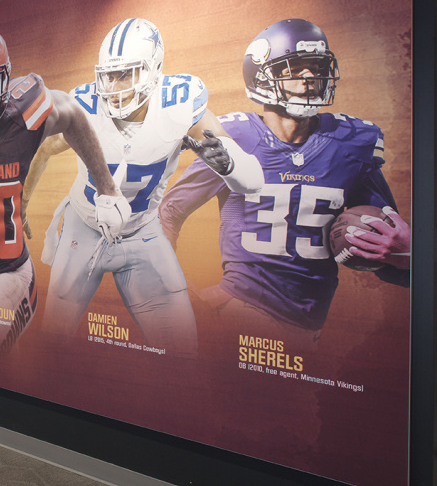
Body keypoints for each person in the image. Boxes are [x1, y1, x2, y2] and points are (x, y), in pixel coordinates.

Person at [160, 19, 410, 350]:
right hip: (239, 312)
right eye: (296, 68)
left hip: (308, 329)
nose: (310, 78)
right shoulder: (234, 137)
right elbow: (169, 212)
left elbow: (386, 254)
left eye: (317, 68)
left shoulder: (349, 144)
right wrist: (170, 291)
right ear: (262, 75)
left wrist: (405, 257)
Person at [22, 18, 263, 357]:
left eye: (126, 73)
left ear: (154, 71)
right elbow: (45, 148)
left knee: (182, 347)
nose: (114, 85)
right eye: (109, 74)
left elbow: (253, 180)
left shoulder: (178, 105)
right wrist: (22, 200)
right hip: (84, 227)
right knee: (52, 342)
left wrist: (230, 163)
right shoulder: (87, 106)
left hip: (141, 231)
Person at [0, 28, 123, 358]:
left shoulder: (25, 114)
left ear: (4, 82)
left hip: (11, 276)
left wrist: (108, 188)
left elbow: (73, 114)